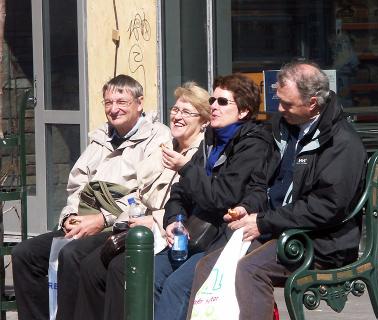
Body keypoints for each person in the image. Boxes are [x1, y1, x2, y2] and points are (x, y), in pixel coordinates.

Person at [186, 61, 367, 320]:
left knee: (249, 270)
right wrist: (248, 207)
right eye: (279, 101)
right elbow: (262, 182)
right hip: (278, 228)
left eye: (288, 104)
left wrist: (263, 222)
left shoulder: (341, 143)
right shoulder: (282, 128)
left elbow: (326, 207)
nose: (280, 109)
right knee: (208, 266)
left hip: (320, 240)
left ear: (313, 103)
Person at [11, 74, 171, 320]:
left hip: (121, 226)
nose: (113, 109)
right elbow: (77, 184)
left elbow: (146, 196)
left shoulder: (157, 139)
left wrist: (103, 219)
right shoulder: (101, 138)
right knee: (25, 254)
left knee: (72, 254)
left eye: (121, 102)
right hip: (86, 222)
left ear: (139, 103)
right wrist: (70, 216)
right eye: (108, 103)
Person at [72, 81, 211, 320]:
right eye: (175, 110)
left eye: (186, 112)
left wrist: (153, 220)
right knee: (89, 264)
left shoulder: (202, 155)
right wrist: (120, 217)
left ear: (204, 121)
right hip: (135, 226)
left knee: (119, 268)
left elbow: (191, 203)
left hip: (168, 233)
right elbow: (138, 193)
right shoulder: (164, 148)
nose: (177, 117)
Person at [154, 73, 273, 320]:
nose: (214, 107)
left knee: (178, 286)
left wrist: (185, 167)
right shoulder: (211, 139)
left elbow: (223, 197)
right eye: (212, 100)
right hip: (195, 232)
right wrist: (174, 219)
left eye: (222, 102)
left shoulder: (254, 144)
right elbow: (180, 191)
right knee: (150, 273)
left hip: (225, 236)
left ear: (243, 112)